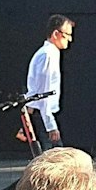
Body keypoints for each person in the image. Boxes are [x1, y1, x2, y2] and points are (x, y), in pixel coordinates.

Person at [23, 15, 74, 147]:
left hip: (41, 114)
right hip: (43, 116)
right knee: (54, 157)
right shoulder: (48, 55)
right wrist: (50, 125)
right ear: (56, 34)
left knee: (53, 156)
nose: (70, 39)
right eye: (67, 35)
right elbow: (44, 93)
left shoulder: (50, 53)